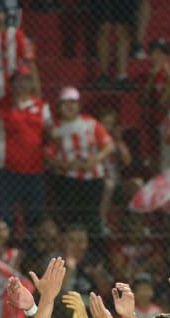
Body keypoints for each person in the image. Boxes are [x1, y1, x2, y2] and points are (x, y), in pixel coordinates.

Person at [0, 65, 50, 231]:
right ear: (12, 84)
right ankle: (5, 252)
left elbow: (49, 133)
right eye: (18, 81)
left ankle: (32, 253)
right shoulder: (1, 106)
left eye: (26, 80)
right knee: (5, 216)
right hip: (7, 169)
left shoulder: (42, 107)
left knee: (35, 217)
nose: (22, 85)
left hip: (35, 168)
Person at [48, 88, 114, 236]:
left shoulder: (91, 123)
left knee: (92, 219)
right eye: (66, 103)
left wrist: (94, 160)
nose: (70, 106)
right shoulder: (55, 128)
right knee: (71, 219)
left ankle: (95, 254)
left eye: (73, 103)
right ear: (59, 106)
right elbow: (48, 155)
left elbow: (109, 145)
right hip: (68, 179)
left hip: (93, 177)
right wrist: (66, 165)